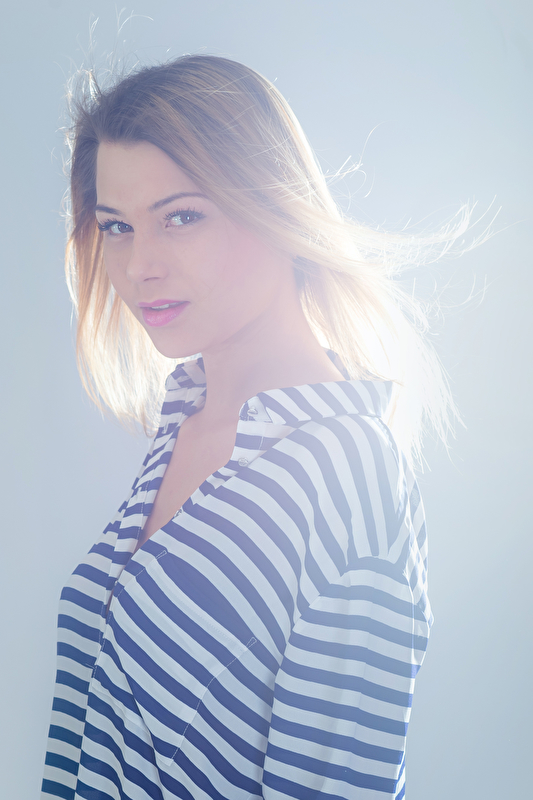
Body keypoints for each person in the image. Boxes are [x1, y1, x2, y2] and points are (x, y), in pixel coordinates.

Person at [42, 54, 457, 799]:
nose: (139, 266)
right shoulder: (186, 418)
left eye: (181, 216)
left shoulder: (345, 469)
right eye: (117, 226)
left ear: (275, 206)